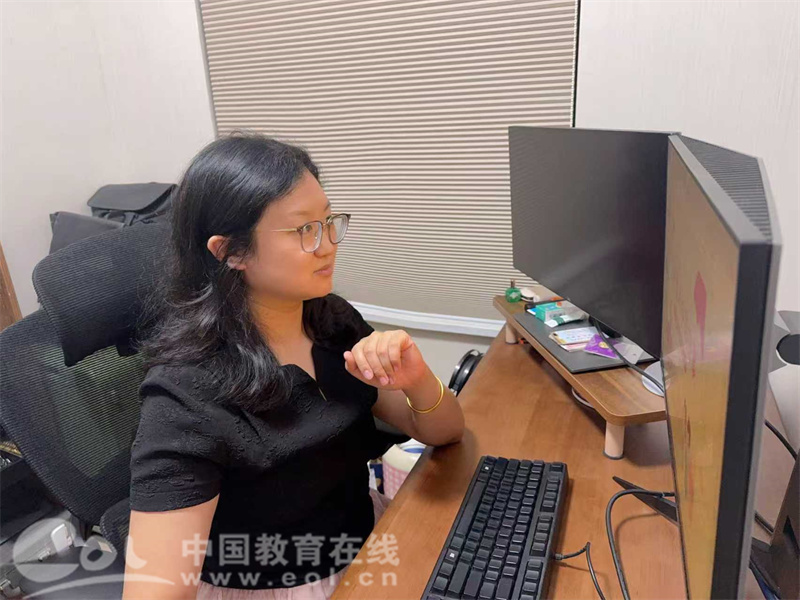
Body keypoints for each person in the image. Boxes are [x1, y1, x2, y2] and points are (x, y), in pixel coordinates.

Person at [121, 132, 465, 600]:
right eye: (304, 229)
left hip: (367, 542)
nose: (327, 245)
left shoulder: (331, 319)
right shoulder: (186, 395)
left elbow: (446, 431)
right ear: (230, 251)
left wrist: (417, 380)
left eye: (328, 221)